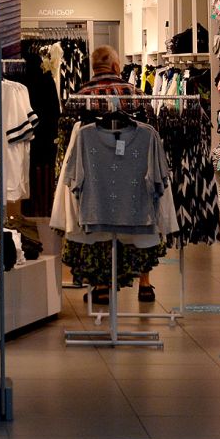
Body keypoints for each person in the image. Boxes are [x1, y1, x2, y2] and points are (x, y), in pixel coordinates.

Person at [74, 44, 157, 304]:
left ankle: (101, 285)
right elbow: (151, 133)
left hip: (97, 174)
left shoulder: (82, 95)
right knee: (140, 223)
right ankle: (145, 283)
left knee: (99, 221)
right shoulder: (135, 93)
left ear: (93, 67)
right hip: (134, 171)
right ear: (116, 66)